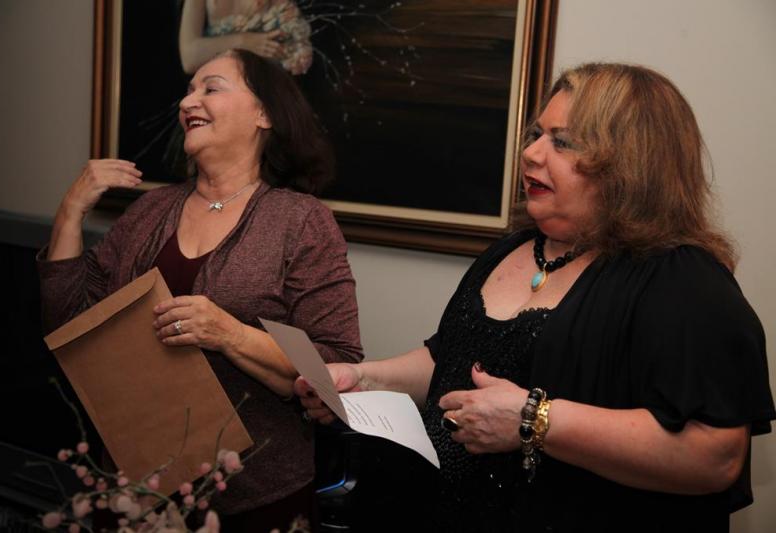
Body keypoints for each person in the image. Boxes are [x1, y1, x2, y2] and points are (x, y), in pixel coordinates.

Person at [295, 63, 775, 532]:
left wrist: (535, 421)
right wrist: (365, 378)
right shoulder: (513, 249)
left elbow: (715, 457)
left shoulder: (683, 281)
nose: (530, 153)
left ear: (629, 163)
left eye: (562, 142)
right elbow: (452, 358)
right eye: (537, 135)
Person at [39, 49, 362, 531]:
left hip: (255, 496)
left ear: (264, 114)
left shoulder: (301, 221)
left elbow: (337, 364)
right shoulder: (149, 212)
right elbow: (69, 325)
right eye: (188, 90)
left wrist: (228, 333)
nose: (188, 101)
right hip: (137, 488)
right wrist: (70, 212)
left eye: (210, 88)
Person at [180, 0, 313, 76]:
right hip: (219, 81)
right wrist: (244, 41)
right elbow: (189, 59)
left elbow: (294, 54)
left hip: (265, 83)